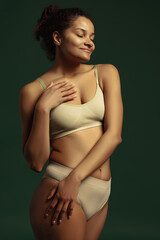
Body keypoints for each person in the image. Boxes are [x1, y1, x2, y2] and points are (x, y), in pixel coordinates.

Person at [19, 4, 123, 240]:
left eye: (92, 37)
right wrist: (44, 109)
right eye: (80, 34)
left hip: (96, 191)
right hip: (58, 189)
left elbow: (114, 135)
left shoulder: (106, 73)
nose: (90, 42)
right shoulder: (33, 91)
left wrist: (75, 180)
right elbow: (35, 162)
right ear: (57, 37)